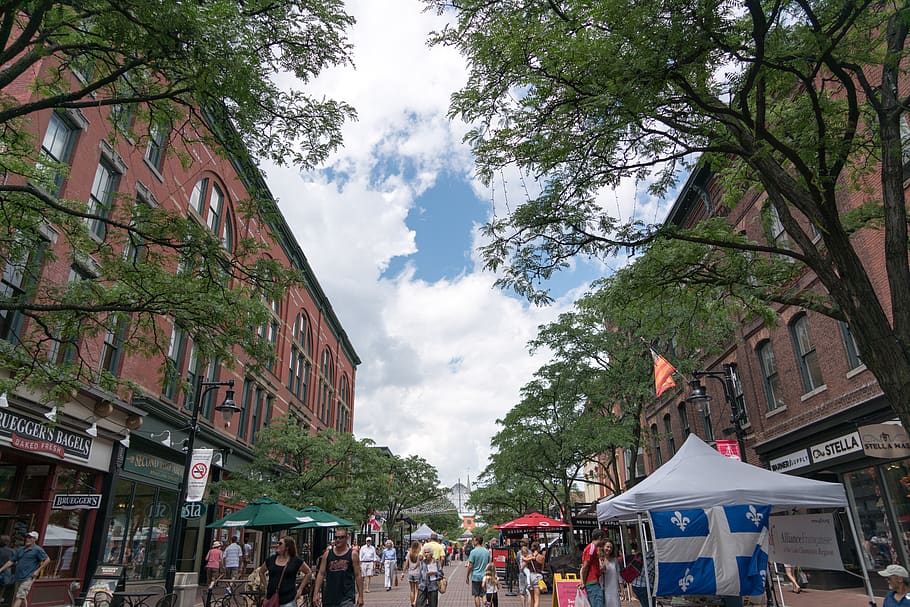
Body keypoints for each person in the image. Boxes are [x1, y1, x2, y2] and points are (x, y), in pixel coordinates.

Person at [257, 537, 312, 607]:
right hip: (271, 597)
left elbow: (308, 572)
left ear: (287, 547)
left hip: (288, 598)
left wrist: (300, 589)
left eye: (280, 543)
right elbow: (261, 572)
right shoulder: (271, 559)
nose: (277, 545)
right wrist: (266, 586)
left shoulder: (295, 561)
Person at [314, 529, 363, 607]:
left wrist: (361, 596)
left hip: (346, 597)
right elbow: (321, 573)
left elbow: (358, 575)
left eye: (341, 537)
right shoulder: (327, 554)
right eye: (336, 537)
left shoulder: (353, 554)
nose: (338, 540)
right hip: (329, 596)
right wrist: (315, 593)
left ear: (346, 538)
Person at [0, 531, 50, 607]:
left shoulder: (37, 550)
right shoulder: (21, 549)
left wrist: (37, 570)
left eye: (30, 537)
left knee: (19, 596)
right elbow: (11, 561)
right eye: (27, 537)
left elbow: (47, 560)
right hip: (18, 576)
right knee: (22, 596)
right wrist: (1, 569)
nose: (28, 539)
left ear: (35, 539)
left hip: (28, 577)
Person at [579, 530, 606, 607]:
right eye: (603, 539)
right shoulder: (592, 548)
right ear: (600, 538)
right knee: (597, 603)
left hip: (592, 582)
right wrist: (583, 582)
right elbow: (585, 566)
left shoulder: (591, 548)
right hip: (592, 583)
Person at [466, 535, 491, 607]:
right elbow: (489, 564)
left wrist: (467, 576)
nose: (473, 542)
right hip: (484, 576)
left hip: (475, 576)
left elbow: (470, 565)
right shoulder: (486, 552)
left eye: (474, 540)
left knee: (476, 595)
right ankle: (486, 604)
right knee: (483, 594)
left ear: (477, 541)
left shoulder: (473, 552)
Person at [599, 538, 621, 607]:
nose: (609, 549)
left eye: (611, 547)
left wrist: (621, 588)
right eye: (607, 547)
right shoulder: (599, 559)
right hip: (602, 588)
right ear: (603, 547)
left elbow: (618, 574)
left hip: (613, 589)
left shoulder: (615, 560)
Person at [523, 542, 545, 607]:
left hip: (530, 576)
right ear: (538, 548)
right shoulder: (541, 557)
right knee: (537, 598)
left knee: (532, 598)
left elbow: (524, 563)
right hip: (537, 576)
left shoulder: (529, 556)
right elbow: (542, 568)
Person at [403, 541, 422, 607]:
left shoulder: (409, 553)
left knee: (411, 590)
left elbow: (406, 563)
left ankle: (412, 602)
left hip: (410, 573)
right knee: (417, 589)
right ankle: (415, 602)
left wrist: (403, 573)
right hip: (417, 573)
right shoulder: (419, 554)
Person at [0, 536, 14, 607]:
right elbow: (15, 562)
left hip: (1, 570)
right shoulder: (11, 551)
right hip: (7, 571)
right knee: (5, 586)